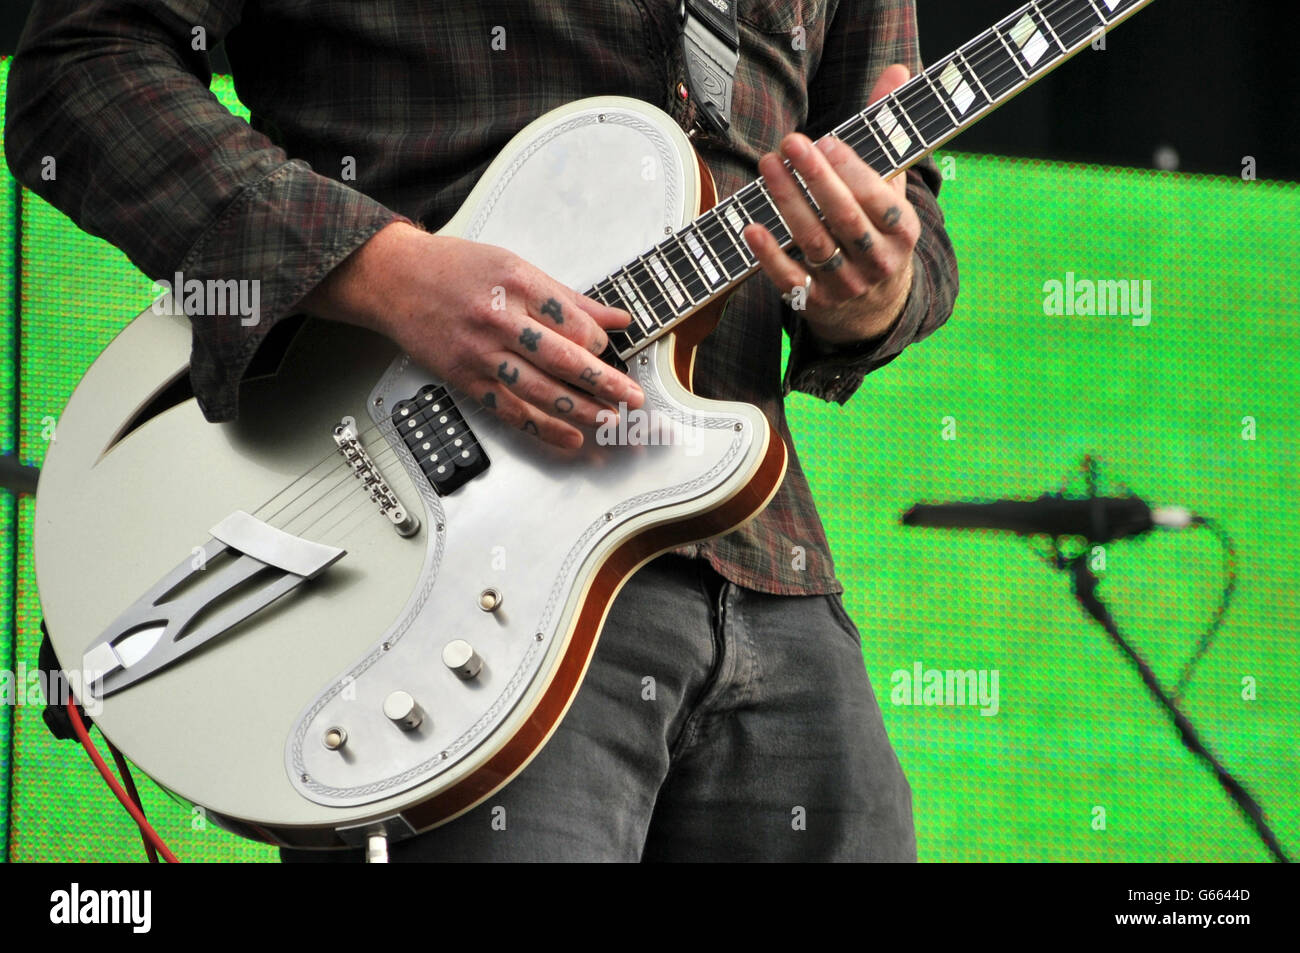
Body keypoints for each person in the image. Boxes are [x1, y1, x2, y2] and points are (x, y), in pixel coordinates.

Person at [6, 0, 958, 861]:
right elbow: (84, 63)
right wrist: (389, 272)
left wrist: (876, 289)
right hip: (430, 560)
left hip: (763, 563)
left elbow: (901, 212)